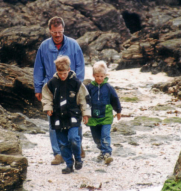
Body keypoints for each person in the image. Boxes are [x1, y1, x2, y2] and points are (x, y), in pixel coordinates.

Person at [33, 16, 85, 165]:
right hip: (53, 90)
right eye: (54, 32)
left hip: (71, 90)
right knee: (53, 122)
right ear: (50, 30)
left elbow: (81, 68)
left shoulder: (74, 45)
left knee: (75, 119)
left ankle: (78, 146)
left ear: (64, 30)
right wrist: (38, 88)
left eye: (60, 32)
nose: (57, 35)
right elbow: (38, 69)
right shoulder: (44, 46)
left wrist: (77, 87)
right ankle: (58, 153)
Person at [41, 56, 91, 174]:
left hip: (73, 115)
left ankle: (78, 159)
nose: (62, 76)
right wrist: (48, 108)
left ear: (69, 70)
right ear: (56, 71)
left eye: (64, 73)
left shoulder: (76, 83)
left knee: (74, 138)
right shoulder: (52, 83)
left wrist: (86, 114)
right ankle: (69, 164)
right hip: (57, 117)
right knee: (62, 143)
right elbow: (46, 96)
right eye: (60, 73)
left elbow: (84, 99)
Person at [86, 61, 122, 165]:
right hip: (93, 116)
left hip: (106, 116)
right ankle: (102, 150)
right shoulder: (89, 87)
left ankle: (107, 153)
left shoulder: (109, 87)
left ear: (105, 75)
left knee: (105, 135)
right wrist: (84, 114)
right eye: (97, 76)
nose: (100, 78)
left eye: (102, 76)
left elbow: (115, 99)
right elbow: (85, 100)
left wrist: (118, 111)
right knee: (96, 136)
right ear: (93, 76)